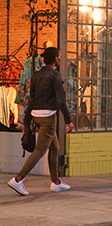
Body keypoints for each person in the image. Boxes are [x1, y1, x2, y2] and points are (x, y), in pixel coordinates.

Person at [7, 47, 75, 196]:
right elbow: (61, 100)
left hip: (36, 115)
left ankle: (56, 182)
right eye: (60, 56)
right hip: (48, 118)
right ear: (56, 59)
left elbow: (31, 100)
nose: (61, 59)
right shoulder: (55, 75)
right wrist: (69, 121)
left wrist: (26, 122)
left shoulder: (36, 75)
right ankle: (18, 180)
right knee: (40, 150)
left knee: (55, 147)